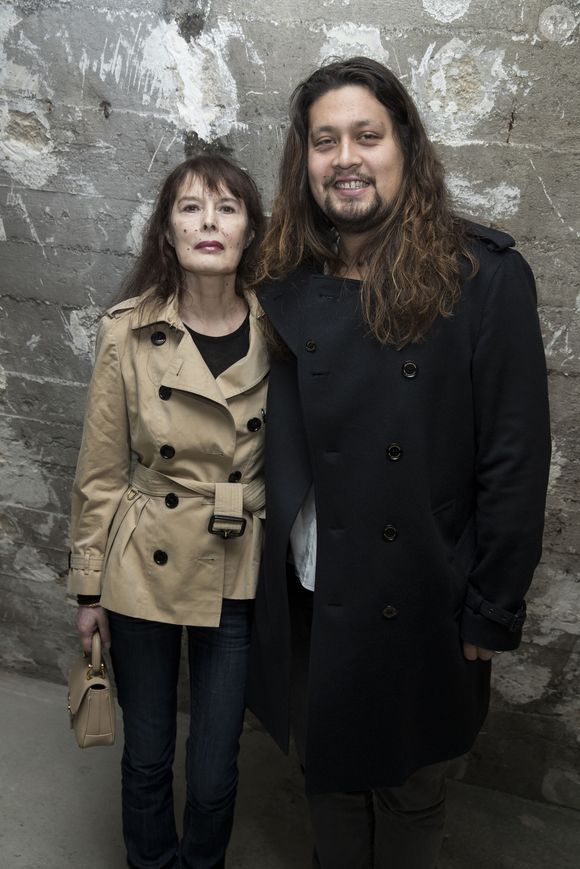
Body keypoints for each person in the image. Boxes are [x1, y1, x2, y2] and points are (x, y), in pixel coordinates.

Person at [246, 56, 551, 868]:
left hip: (420, 596)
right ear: (305, 160)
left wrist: (491, 609)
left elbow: (515, 460)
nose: (345, 157)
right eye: (324, 141)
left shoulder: (482, 277)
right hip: (312, 591)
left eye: (366, 135)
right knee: (326, 777)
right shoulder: (287, 276)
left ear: (406, 147)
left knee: (412, 787)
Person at [68, 154, 267, 869]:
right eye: (190, 207)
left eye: (226, 207)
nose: (209, 222)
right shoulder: (127, 331)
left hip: (235, 558)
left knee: (214, 766)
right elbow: (100, 469)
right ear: (167, 229)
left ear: (250, 230)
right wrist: (88, 589)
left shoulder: (283, 331)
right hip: (141, 560)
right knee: (147, 751)